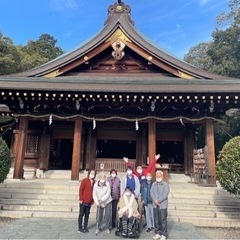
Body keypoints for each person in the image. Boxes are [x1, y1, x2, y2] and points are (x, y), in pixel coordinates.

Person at [150, 170, 170, 240]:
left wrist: (159, 200)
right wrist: (155, 200)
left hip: (162, 205)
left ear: (162, 176)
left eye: (159, 176)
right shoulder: (153, 184)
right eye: (157, 176)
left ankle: (164, 234)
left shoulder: (166, 184)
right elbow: (151, 192)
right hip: (155, 204)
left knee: (163, 219)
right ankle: (157, 233)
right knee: (156, 219)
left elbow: (165, 194)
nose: (158, 177)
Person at [78, 169, 96, 233]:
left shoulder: (94, 182)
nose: (92, 174)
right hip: (83, 200)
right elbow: (81, 190)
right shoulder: (85, 180)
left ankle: (85, 227)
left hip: (89, 201)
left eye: (94, 173)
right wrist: (81, 198)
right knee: (81, 214)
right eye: (91, 173)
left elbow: (94, 192)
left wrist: (93, 200)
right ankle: (80, 227)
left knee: (87, 215)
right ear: (89, 173)